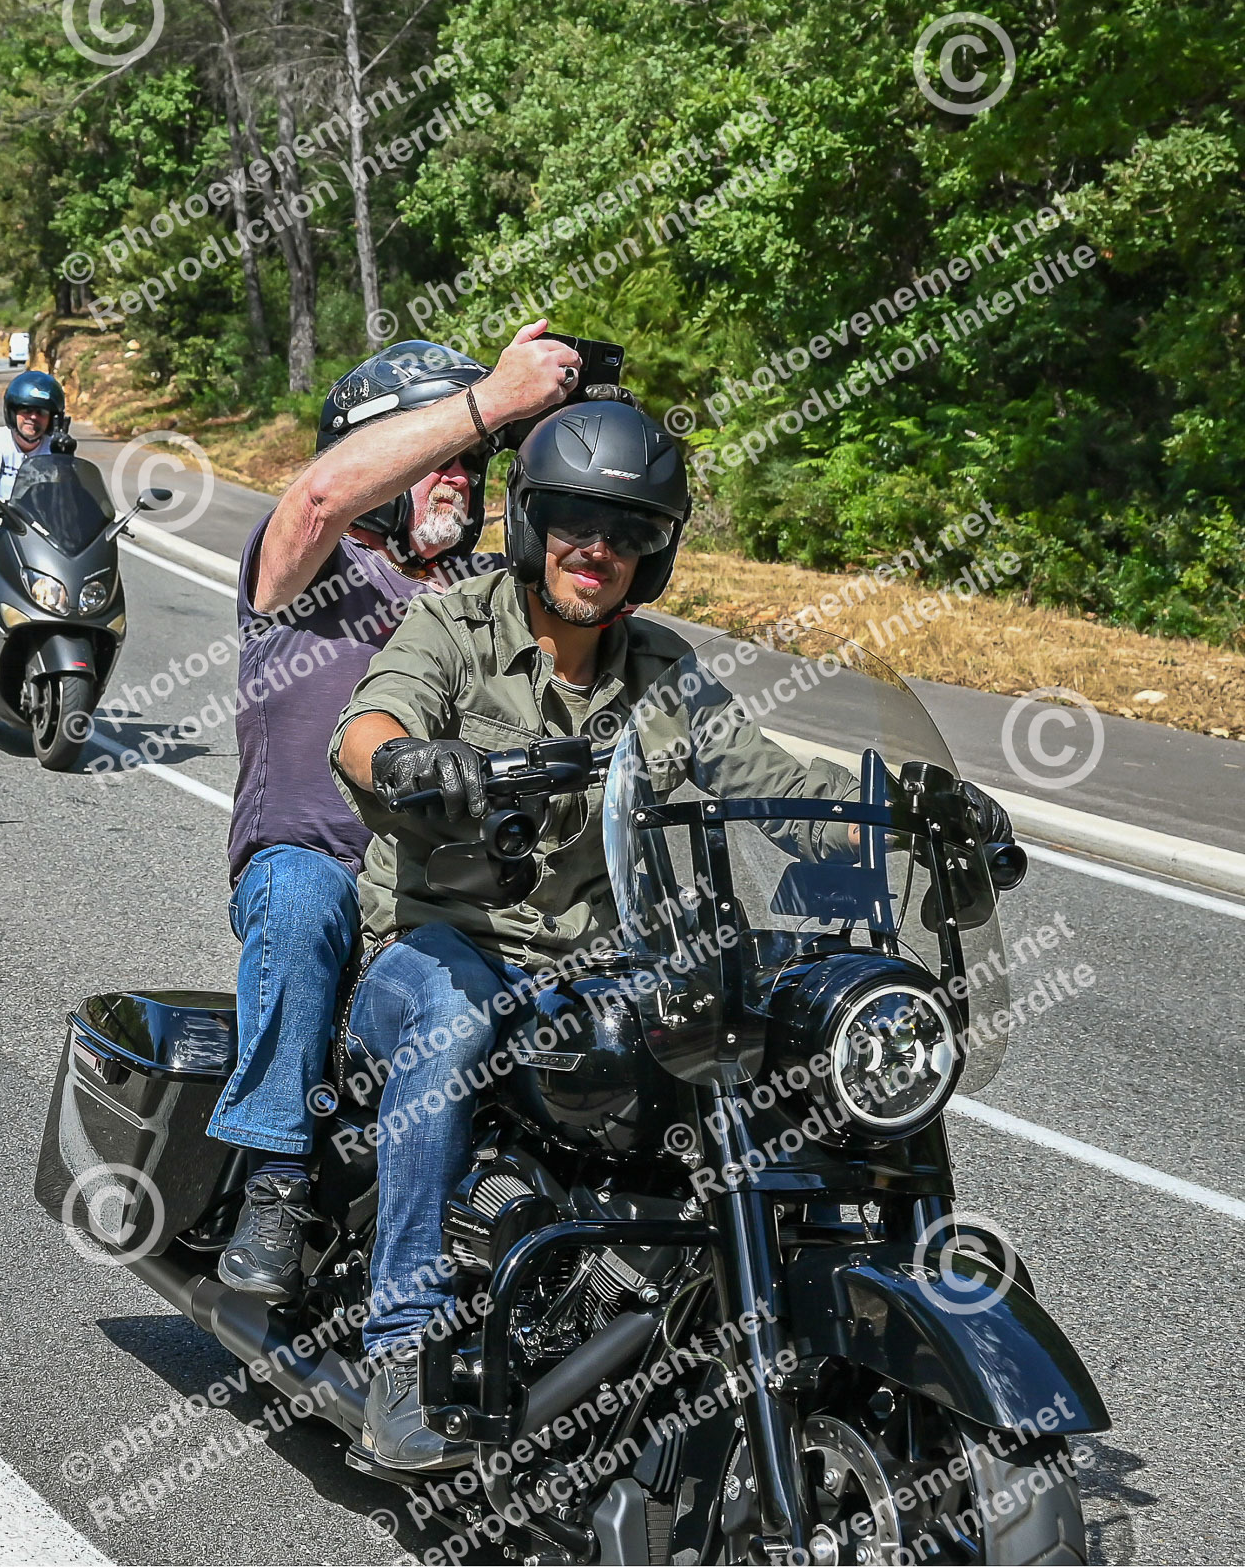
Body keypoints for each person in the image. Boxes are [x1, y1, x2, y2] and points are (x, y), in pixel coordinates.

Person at [330, 399, 1015, 1474]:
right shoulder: (456, 626)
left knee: (754, 1030)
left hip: (598, 968)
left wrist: (913, 810)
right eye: (574, 521)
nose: (596, 549)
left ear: (654, 551)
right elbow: (369, 724)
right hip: (440, 948)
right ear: (531, 519)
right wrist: (409, 762)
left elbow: (774, 783)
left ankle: (710, 1306)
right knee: (453, 1023)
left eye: (629, 530)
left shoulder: (662, 669)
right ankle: (399, 1350)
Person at [209, 323, 583, 1306]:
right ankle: (275, 1177)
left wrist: (574, 423)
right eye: (437, 455)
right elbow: (321, 496)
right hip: (321, 869)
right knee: (302, 895)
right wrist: (490, 402)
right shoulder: (310, 565)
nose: (459, 474)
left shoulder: (481, 596)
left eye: (472, 463)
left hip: (441, 894)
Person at [0, 370, 63, 640]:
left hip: (39, 543)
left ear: (52, 419)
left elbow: (71, 494)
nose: (33, 417)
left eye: (41, 412)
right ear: (12, 412)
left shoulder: (56, 450)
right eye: (26, 409)